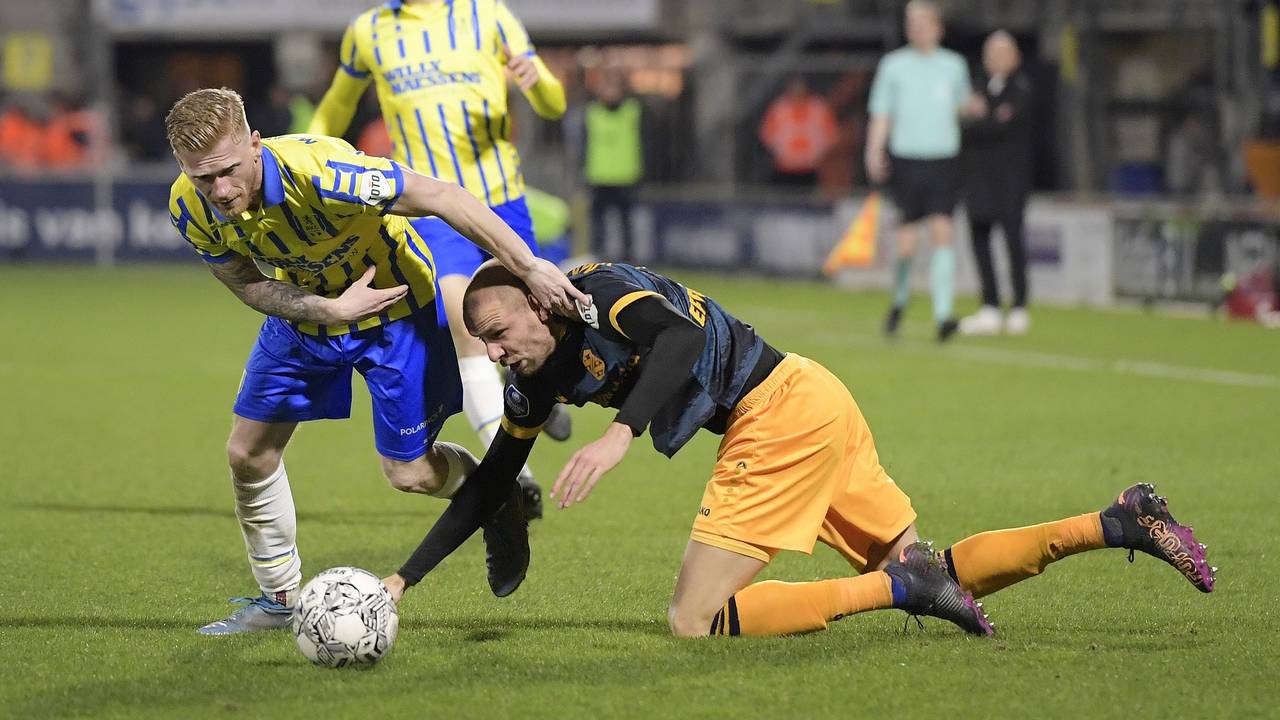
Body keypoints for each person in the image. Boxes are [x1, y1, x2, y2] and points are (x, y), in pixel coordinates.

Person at [379, 260, 1216, 638]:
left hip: (778, 414)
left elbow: (670, 343)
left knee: (692, 622)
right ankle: (1117, 522)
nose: (492, 353)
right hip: (810, 397)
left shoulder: (596, 292)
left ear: (534, 302)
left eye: (495, 333)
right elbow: (490, 482)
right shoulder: (532, 380)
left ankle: (901, 589)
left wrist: (620, 434)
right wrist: (401, 581)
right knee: (930, 567)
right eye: (482, 344)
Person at [164, 87, 589, 634]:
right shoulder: (187, 205)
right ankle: (278, 601)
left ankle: (495, 493)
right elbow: (246, 283)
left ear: (254, 143)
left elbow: (443, 196)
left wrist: (528, 267)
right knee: (248, 454)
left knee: (409, 473)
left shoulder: (325, 172)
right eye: (203, 178)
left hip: (399, 313)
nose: (220, 190)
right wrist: (327, 308)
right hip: (310, 316)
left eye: (228, 170)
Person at [308, 0, 572, 519]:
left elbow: (554, 104)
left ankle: (545, 390)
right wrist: (307, 156)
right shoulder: (369, 31)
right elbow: (336, 108)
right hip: (430, 207)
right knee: (466, 325)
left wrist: (535, 81)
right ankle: (515, 475)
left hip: (501, 202)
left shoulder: (488, 15)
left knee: (536, 330)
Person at [865, 0, 974, 341]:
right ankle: (899, 300)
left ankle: (943, 315)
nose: (917, 28)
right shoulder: (894, 65)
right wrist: (873, 149)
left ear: (937, 27)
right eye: (912, 22)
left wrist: (974, 110)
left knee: (943, 230)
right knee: (907, 243)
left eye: (924, 22)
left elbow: (963, 108)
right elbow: (882, 113)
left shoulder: (954, 66)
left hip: (943, 159)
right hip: (907, 160)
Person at [959, 30, 1034, 336]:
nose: (996, 60)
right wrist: (979, 118)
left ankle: (1019, 305)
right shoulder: (976, 88)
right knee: (979, 239)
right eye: (991, 54)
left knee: (1013, 240)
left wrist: (981, 117)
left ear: (1015, 58)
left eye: (1003, 53)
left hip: (1011, 179)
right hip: (978, 178)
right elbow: (968, 127)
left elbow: (1002, 126)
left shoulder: (1022, 89)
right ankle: (989, 304)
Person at [583, 71, 643, 259]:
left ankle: (628, 261)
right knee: (598, 225)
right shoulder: (592, 112)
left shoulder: (633, 111)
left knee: (625, 224)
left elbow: (647, 141)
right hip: (598, 176)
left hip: (626, 176)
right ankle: (598, 260)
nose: (609, 92)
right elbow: (582, 145)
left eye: (613, 87)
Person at [759, 76, 838, 187]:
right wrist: (781, 152)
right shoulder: (780, 108)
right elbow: (767, 134)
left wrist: (818, 155)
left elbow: (831, 134)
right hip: (784, 166)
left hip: (810, 167)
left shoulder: (818, 107)